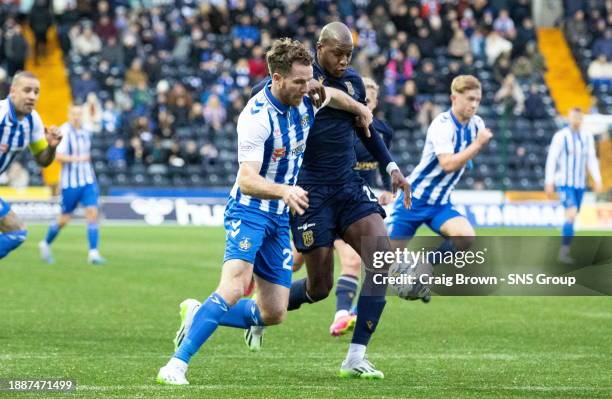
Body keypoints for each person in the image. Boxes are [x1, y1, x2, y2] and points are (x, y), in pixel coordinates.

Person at [156, 38, 373, 385]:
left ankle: (198, 312)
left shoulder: (309, 97)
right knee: (235, 284)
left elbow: (334, 97)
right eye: (299, 82)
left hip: (278, 216)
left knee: (272, 313)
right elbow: (246, 180)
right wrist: (284, 189)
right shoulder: (256, 118)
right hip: (250, 209)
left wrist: (360, 109)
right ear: (276, 77)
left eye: (309, 80)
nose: (308, 87)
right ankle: (175, 365)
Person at [266, 22, 412, 380]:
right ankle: (258, 313)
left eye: (349, 54)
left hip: (348, 186)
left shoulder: (354, 83)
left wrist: (390, 166)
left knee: (381, 261)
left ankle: (356, 356)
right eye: (337, 53)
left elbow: (366, 126)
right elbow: (266, 94)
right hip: (310, 194)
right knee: (319, 288)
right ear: (320, 48)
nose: (344, 60)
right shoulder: (298, 78)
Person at [386, 75, 493, 269]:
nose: (474, 104)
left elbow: (463, 157)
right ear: (454, 98)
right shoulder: (442, 124)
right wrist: (477, 145)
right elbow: (447, 164)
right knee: (383, 262)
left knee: (465, 236)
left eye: (478, 100)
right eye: (470, 99)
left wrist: (469, 156)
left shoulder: (477, 124)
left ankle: (424, 267)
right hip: (413, 200)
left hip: (439, 203)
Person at [0, 72, 62, 260]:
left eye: (36, 92)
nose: (32, 96)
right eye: (27, 90)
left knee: (16, 232)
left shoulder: (33, 120)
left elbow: (43, 160)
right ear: (13, 91)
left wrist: (51, 147)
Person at [38, 104, 106, 265]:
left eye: (79, 114)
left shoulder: (86, 130)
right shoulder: (64, 131)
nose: (76, 117)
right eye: (74, 114)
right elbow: (58, 156)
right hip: (70, 184)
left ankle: (93, 253)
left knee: (92, 214)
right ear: (69, 115)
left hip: (88, 181)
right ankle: (45, 243)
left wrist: (94, 107)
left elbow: (98, 121)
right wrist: (78, 159)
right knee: (64, 220)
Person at [545, 108, 602, 263]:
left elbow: (591, 158)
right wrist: (549, 181)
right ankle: (563, 253)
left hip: (579, 184)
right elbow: (552, 159)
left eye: (579, 117)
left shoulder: (587, 136)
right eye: (573, 117)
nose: (576, 120)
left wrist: (597, 179)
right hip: (564, 183)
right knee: (571, 213)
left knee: (572, 217)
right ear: (569, 118)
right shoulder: (561, 136)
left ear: (582, 119)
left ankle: (563, 248)